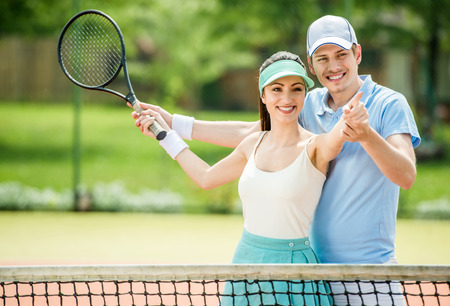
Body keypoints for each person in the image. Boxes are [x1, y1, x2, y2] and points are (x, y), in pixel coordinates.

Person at [133, 15, 421, 305]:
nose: (333, 66)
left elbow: (406, 175)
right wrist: (174, 124)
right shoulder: (306, 103)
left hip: (368, 274)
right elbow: (255, 132)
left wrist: (366, 135)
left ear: (357, 54)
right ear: (311, 64)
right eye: (322, 58)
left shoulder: (389, 104)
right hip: (310, 272)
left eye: (341, 55)